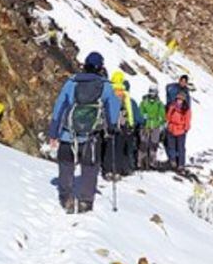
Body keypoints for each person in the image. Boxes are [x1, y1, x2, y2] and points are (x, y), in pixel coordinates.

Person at [47, 52, 120, 214]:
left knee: (66, 165)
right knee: (90, 168)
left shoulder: (71, 83)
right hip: (91, 137)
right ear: (101, 67)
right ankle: (86, 201)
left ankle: (66, 198)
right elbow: (113, 109)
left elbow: (59, 107)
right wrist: (112, 127)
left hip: (68, 133)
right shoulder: (105, 86)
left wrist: (54, 132)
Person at [103, 71, 135, 180]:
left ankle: (107, 170)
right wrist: (130, 123)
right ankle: (116, 171)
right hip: (121, 125)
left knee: (108, 148)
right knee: (119, 148)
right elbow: (129, 110)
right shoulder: (124, 92)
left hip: (109, 123)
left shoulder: (108, 90)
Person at [137, 84, 166, 170]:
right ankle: (141, 162)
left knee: (154, 144)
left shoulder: (159, 104)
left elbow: (162, 115)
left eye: (154, 92)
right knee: (143, 144)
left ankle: (152, 162)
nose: (152, 94)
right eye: (151, 91)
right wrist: (145, 119)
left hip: (155, 126)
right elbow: (141, 113)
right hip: (145, 126)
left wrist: (160, 123)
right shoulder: (144, 102)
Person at [165, 90, 191, 174]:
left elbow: (187, 120)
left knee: (180, 148)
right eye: (178, 99)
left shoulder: (186, 109)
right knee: (171, 146)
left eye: (181, 99)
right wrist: (167, 124)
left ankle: (181, 164)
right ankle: (172, 162)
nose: (179, 101)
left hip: (180, 130)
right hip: (171, 128)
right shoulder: (172, 106)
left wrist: (185, 128)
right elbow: (168, 116)